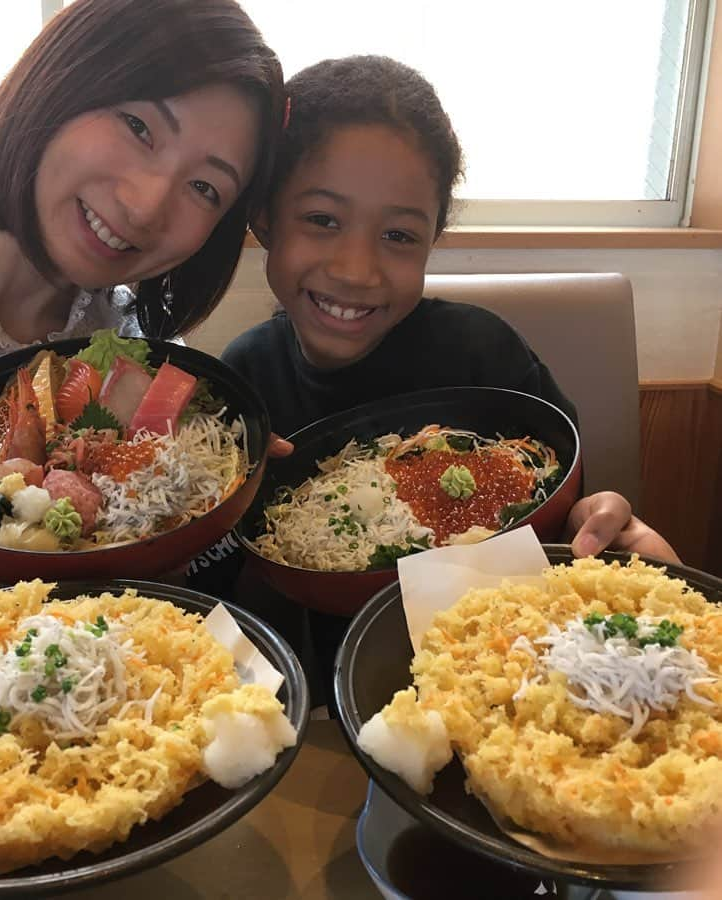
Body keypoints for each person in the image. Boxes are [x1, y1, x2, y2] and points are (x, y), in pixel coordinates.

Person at [190, 55, 680, 696]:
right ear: (263, 219)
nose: (357, 269)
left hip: (522, 679)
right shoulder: (242, 387)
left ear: (432, 240)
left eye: (398, 235)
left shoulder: (485, 353)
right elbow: (217, 595)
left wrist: (605, 523)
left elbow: (566, 510)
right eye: (322, 220)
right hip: (338, 703)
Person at [0, 0, 284, 659]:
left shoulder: (129, 345)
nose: (147, 203)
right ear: (61, 81)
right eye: (138, 126)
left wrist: (213, 493)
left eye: (206, 188)